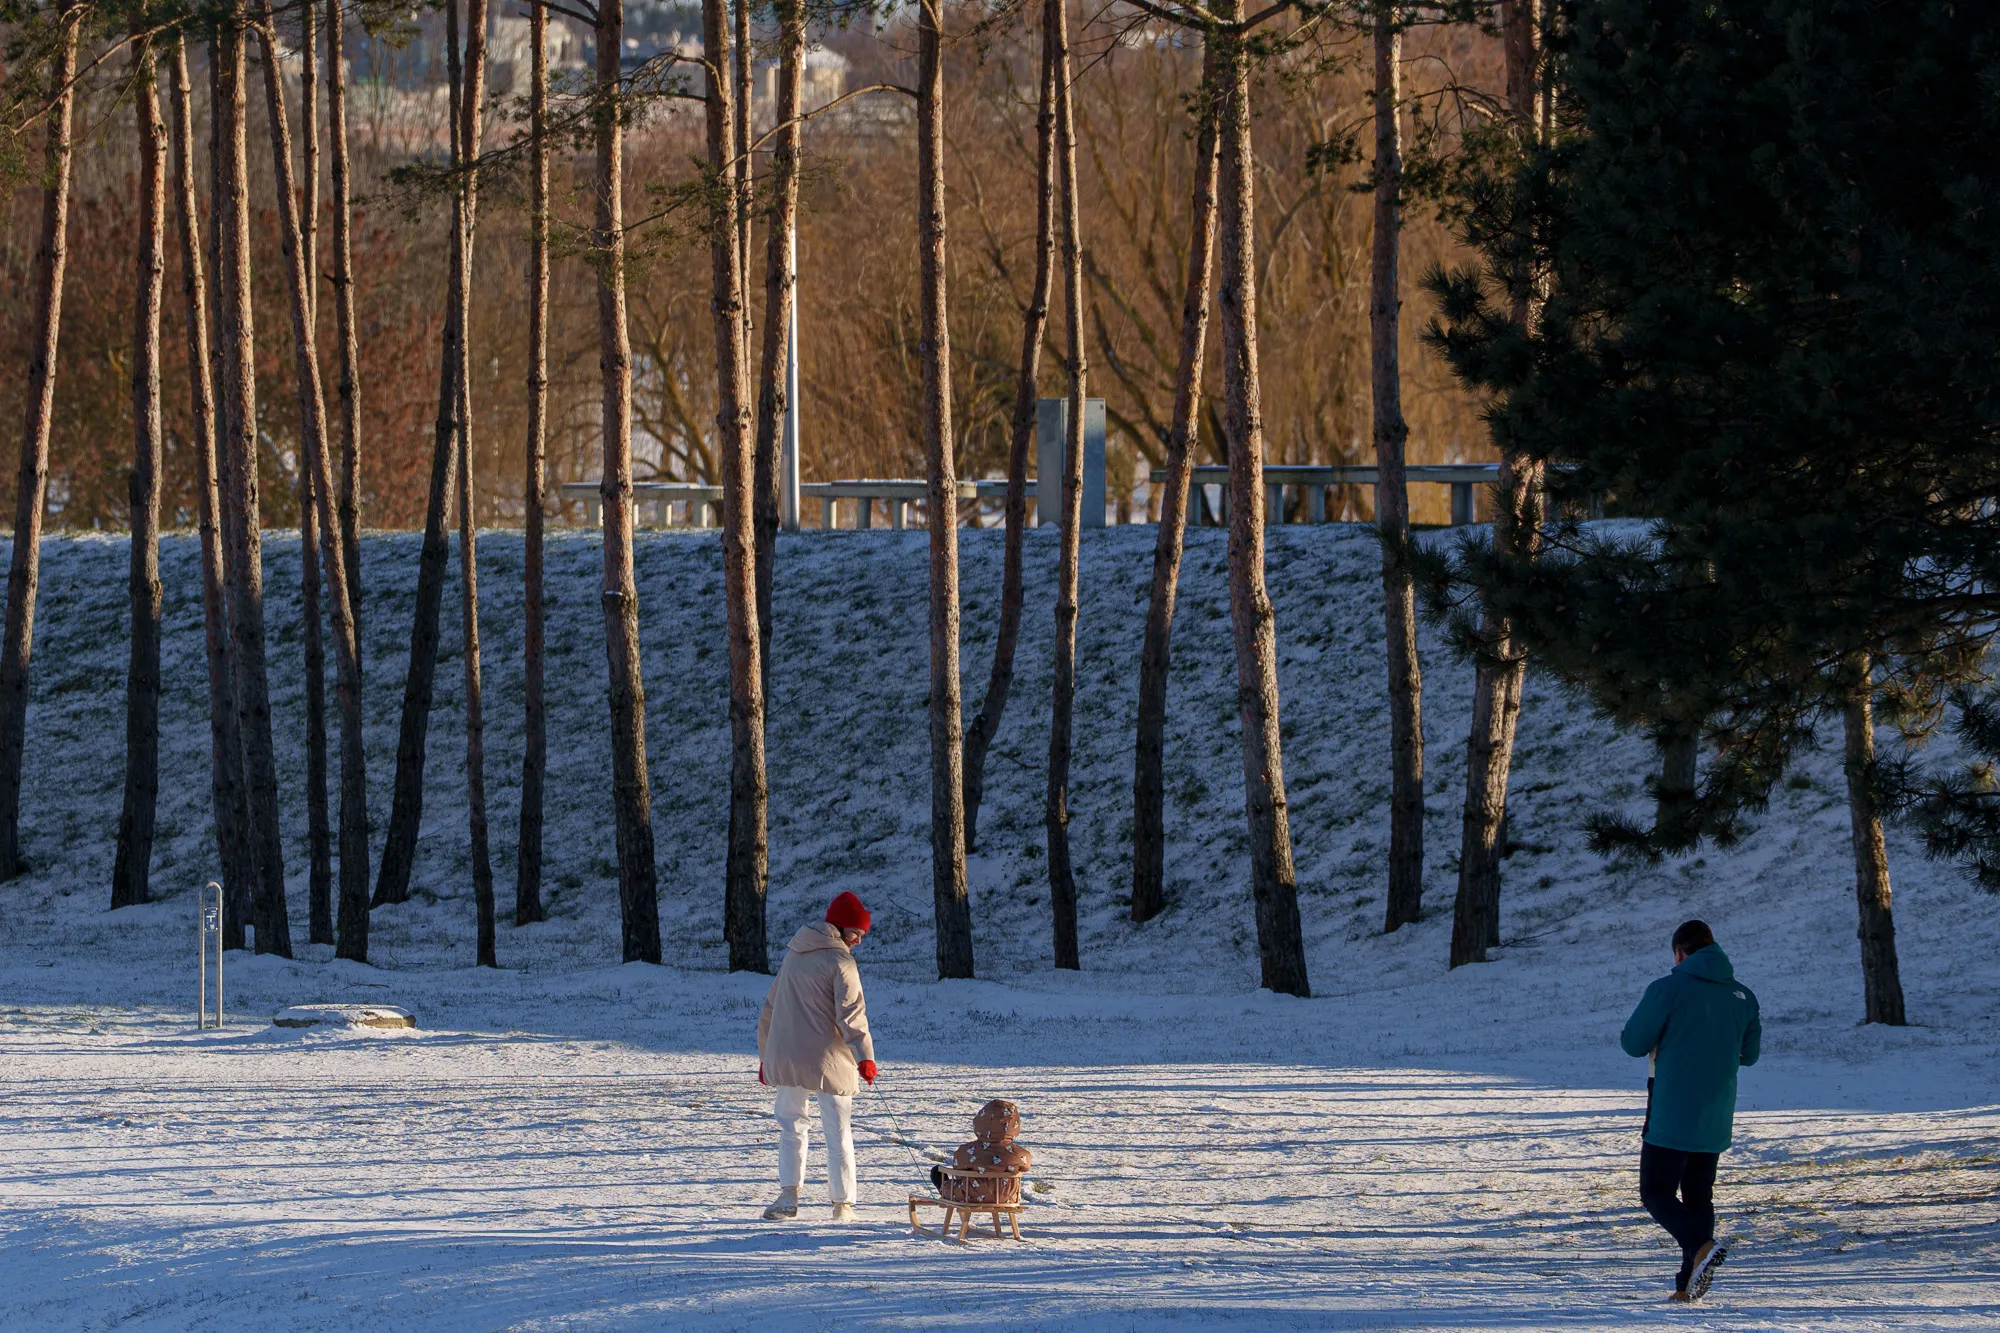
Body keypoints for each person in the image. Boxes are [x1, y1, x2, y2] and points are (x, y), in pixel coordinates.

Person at [1620, 919, 1761, 1302]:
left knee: (1655, 1191)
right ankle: (1688, 1286)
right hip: (1716, 1109)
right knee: (1699, 1195)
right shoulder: (1744, 996)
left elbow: (1633, 1043)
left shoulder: (1667, 989)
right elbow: (1750, 1055)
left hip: (1671, 1106)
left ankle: (1701, 1246)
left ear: (1679, 953)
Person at [757, 891, 877, 1222]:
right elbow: (852, 1015)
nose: (858, 942)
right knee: (837, 1130)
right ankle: (843, 1204)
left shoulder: (794, 955)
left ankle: (788, 1195)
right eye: (857, 933)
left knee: (792, 1125)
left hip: (790, 1057)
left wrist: (767, 1057)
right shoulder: (841, 962)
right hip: (829, 1059)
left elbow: (769, 1007)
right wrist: (865, 1057)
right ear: (841, 928)